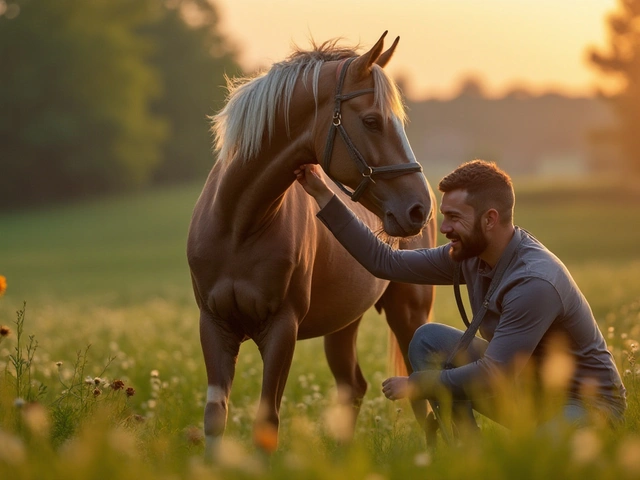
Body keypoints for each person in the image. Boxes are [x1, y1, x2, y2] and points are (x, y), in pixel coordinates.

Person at [294, 159, 625, 436]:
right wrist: (323, 194)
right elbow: (385, 262)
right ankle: (467, 457)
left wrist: (419, 384)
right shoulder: (469, 255)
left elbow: (494, 375)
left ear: (489, 219)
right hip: (528, 388)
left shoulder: (534, 282)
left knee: (530, 461)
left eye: (453, 217)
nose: (443, 228)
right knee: (428, 339)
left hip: (586, 403)